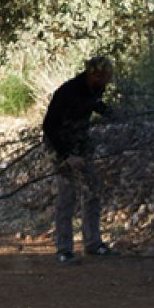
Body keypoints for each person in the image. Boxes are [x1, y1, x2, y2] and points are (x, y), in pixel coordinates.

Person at [42, 56, 116, 264]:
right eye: (107, 76)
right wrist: (67, 156)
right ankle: (63, 249)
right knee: (67, 195)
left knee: (93, 190)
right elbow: (49, 126)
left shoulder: (96, 88)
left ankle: (93, 243)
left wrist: (112, 113)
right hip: (62, 147)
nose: (109, 80)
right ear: (95, 75)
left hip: (82, 144)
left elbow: (93, 104)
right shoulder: (68, 92)